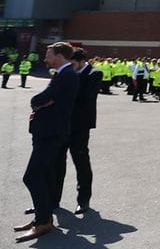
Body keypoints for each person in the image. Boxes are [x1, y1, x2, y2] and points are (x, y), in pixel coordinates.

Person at [15, 42, 79, 243]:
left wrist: (38, 103)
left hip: (52, 133)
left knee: (32, 176)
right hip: (49, 131)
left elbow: (42, 98)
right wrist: (42, 103)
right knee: (41, 174)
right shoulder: (62, 74)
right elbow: (46, 100)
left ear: (59, 56)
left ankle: (43, 221)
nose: (45, 58)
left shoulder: (66, 75)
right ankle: (42, 217)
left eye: (48, 54)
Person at [53, 48, 101, 215]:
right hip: (62, 124)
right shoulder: (65, 72)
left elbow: (85, 98)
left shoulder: (94, 74)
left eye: (72, 63)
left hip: (80, 126)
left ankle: (83, 200)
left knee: (81, 162)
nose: (70, 66)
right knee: (57, 162)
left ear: (81, 61)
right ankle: (53, 200)